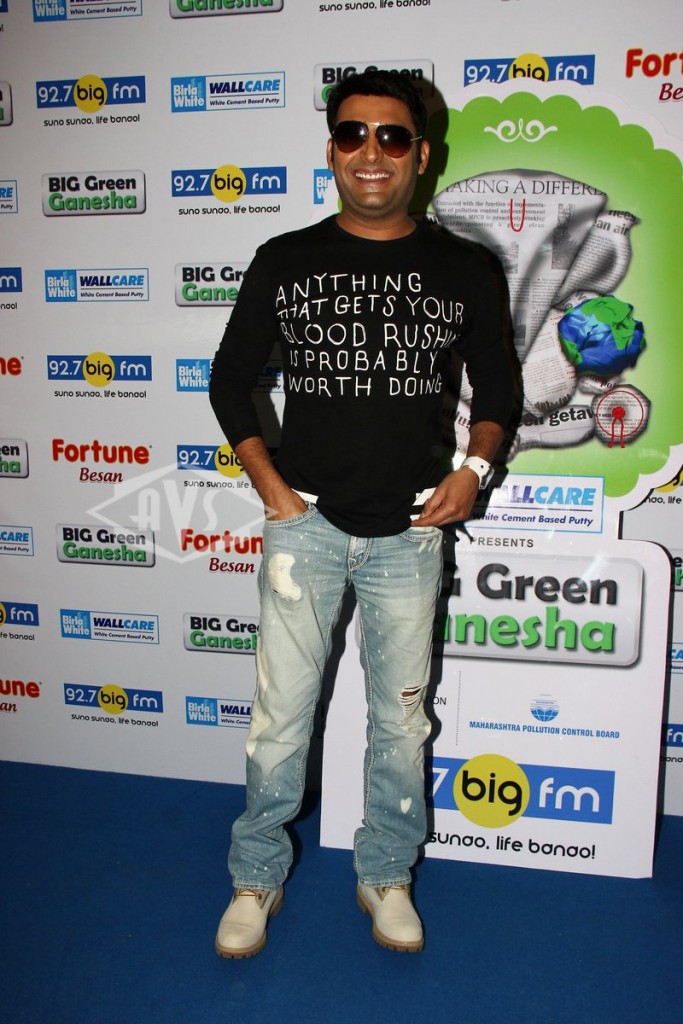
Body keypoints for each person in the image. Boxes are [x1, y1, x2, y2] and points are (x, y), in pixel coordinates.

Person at [209, 70, 514, 958]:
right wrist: (270, 485)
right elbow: (230, 380)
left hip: (412, 531)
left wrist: (474, 470)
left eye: (390, 137)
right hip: (305, 526)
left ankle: (385, 874)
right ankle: (254, 877)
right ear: (331, 149)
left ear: (421, 155)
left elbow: (498, 388)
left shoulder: (464, 266)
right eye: (351, 134)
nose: (369, 153)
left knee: (402, 721)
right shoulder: (285, 258)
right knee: (279, 720)